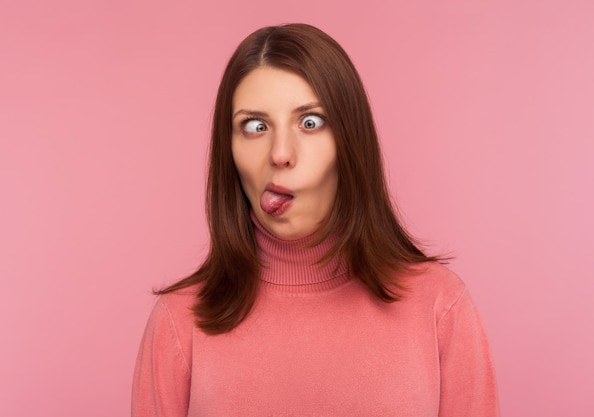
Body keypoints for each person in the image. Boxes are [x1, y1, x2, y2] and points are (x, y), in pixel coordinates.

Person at [131, 23, 500, 416]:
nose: (280, 153)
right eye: (255, 127)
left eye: (310, 123)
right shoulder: (179, 322)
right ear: (229, 151)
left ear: (350, 143)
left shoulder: (439, 307)